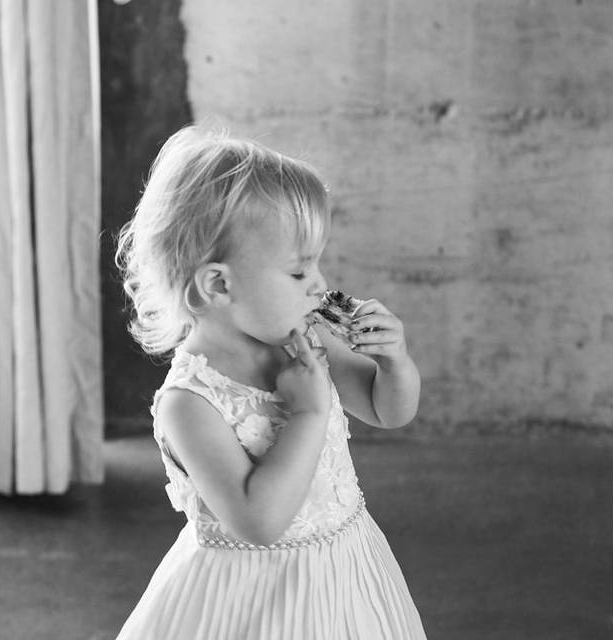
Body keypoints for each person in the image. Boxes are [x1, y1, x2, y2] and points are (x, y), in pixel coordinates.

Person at [113, 125, 427, 639]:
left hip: (343, 577)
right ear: (218, 283)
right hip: (249, 603)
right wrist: (307, 414)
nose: (321, 284)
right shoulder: (190, 403)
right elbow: (259, 522)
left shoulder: (302, 344)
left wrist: (395, 363)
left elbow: (388, 410)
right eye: (300, 272)